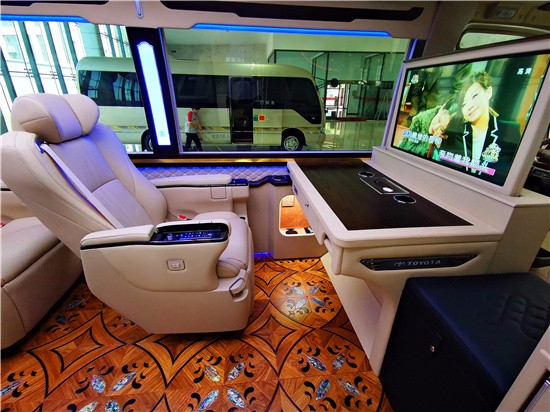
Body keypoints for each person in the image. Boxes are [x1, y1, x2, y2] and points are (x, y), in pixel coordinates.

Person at [441, 71, 521, 184]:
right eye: (464, 104)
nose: (469, 106)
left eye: (474, 96)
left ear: (488, 92)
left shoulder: (509, 132)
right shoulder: (455, 133)